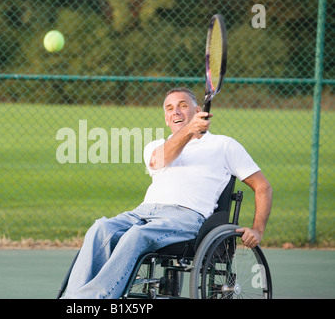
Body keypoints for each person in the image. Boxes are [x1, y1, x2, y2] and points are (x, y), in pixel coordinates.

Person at [62, 87, 272, 299]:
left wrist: (258, 230)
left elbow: (262, 187)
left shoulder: (225, 145)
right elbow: (157, 161)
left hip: (185, 217)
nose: (176, 112)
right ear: (166, 118)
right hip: (143, 213)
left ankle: (91, 300)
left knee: (136, 236)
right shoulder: (157, 146)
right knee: (100, 228)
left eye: (183, 105)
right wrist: (190, 130)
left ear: (198, 110)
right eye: (170, 108)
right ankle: (71, 299)